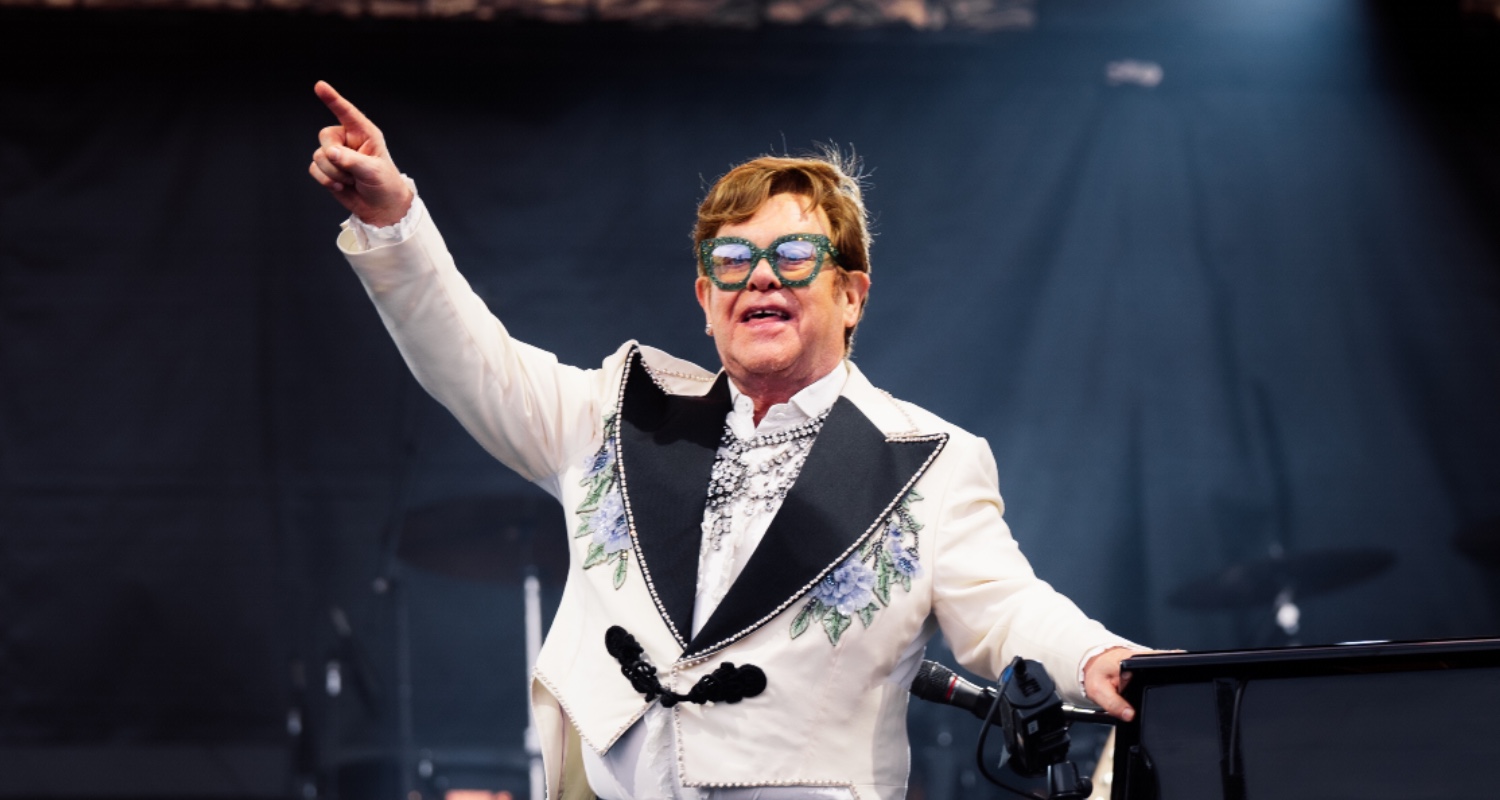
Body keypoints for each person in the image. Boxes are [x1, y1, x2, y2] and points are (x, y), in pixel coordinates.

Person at [308, 80, 1142, 800]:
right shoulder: (619, 414)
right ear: (707, 301)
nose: (762, 275)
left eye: (795, 254)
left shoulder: (925, 463)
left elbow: (1006, 607)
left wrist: (1096, 656)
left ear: (853, 294)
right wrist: (394, 222)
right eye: (733, 259)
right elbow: (473, 364)